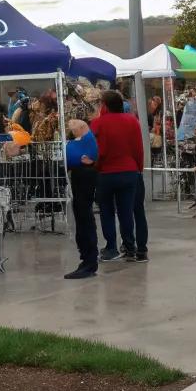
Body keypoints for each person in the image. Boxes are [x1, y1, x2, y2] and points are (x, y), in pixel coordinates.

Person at [91, 89, 143, 264]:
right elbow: (138, 148)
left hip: (106, 173)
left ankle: (111, 248)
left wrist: (96, 167)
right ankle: (129, 247)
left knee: (106, 212)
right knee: (126, 211)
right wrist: (138, 168)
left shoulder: (98, 123)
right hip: (129, 171)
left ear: (104, 105)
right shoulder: (132, 121)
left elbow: (97, 150)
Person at [63, 118, 99, 279]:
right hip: (79, 175)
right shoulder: (83, 139)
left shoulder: (88, 138)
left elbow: (79, 126)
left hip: (84, 176)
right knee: (82, 217)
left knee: (84, 218)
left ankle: (89, 262)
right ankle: (87, 259)